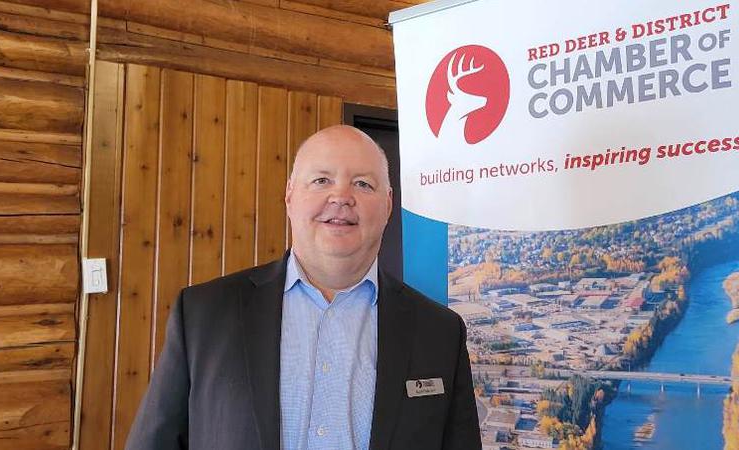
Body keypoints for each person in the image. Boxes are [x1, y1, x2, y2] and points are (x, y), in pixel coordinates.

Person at [125, 125, 481, 450]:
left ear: (388, 206)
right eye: (322, 180)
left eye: (362, 184)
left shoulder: (440, 333)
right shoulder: (204, 314)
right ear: (290, 196)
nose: (341, 197)